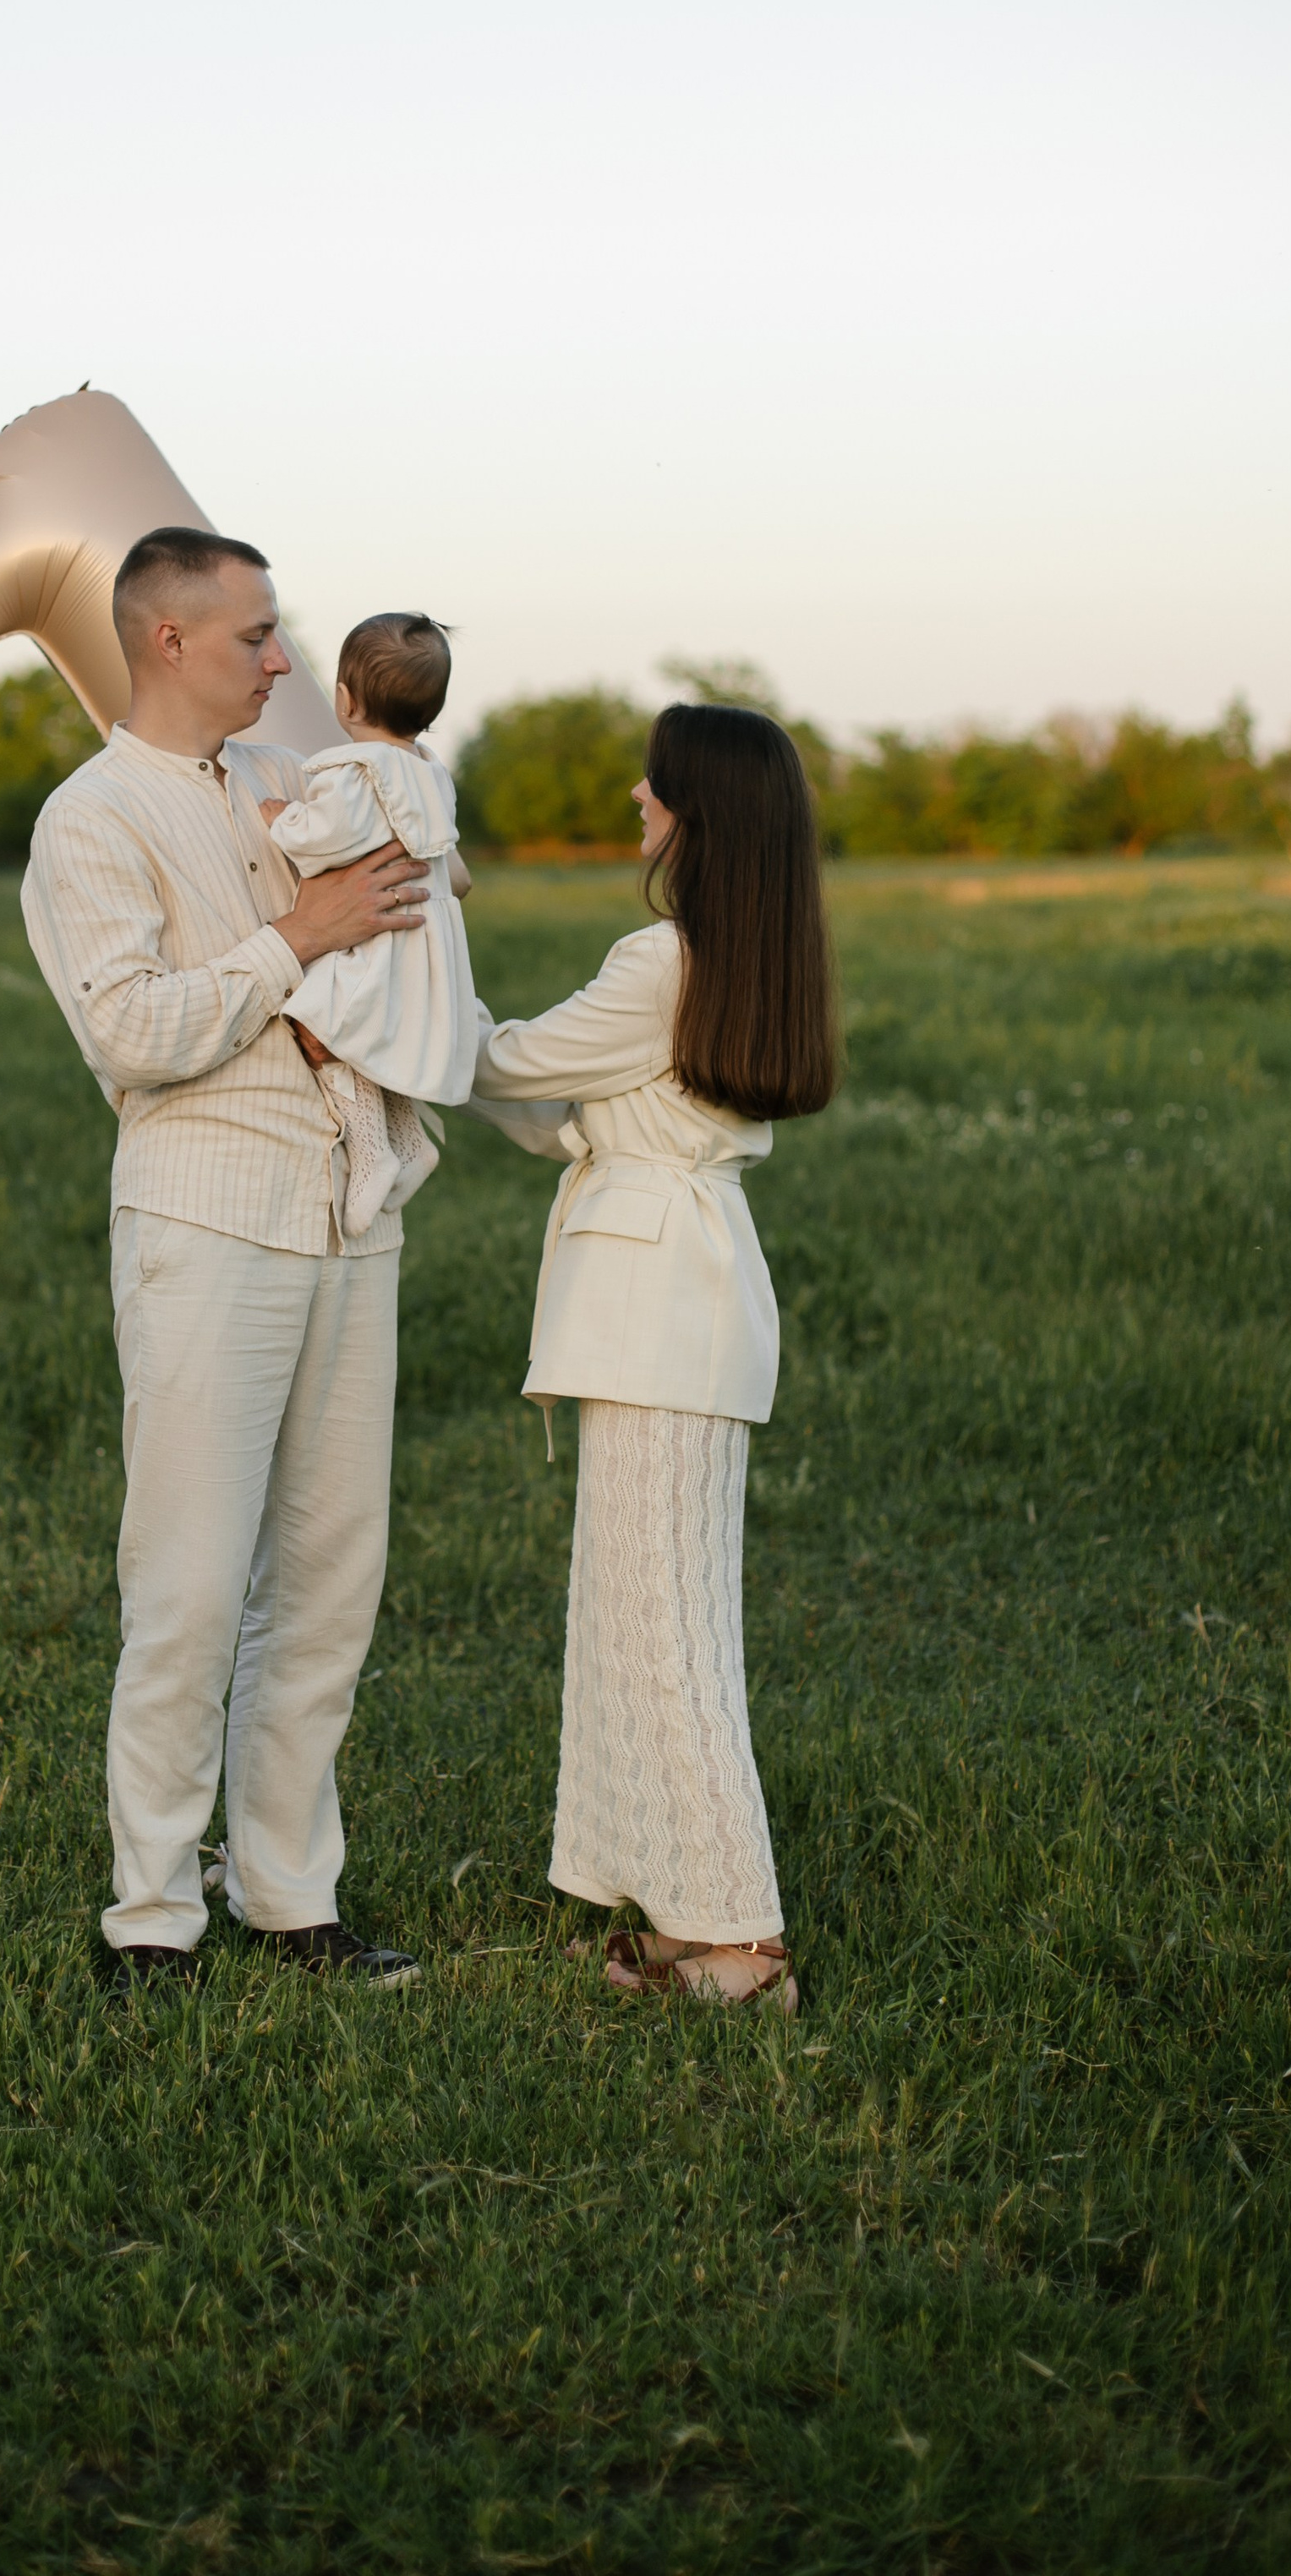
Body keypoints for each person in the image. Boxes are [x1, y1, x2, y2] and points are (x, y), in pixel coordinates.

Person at [21, 524, 430, 1993]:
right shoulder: (90, 818)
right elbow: (133, 1030)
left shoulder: (289, 777)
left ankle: (290, 1898)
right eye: (256, 634)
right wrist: (299, 938)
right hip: (205, 1224)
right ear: (168, 640)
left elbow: (395, 934)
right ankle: (151, 1922)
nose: (281, 657)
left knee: (329, 1580)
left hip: (349, 1210)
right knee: (189, 1589)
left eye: (277, 630)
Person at [467, 702, 839, 2005]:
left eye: (656, 780)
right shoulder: (747, 958)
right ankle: (688, 1918)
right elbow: (576, 1112)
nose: (638, 794)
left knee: (666, 1631)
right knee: (652, 1615)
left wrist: (406, 969)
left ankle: (741, 1944)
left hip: (654, 1315)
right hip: (696, 1297)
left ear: (700, 812)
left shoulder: (657, 963)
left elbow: (504, 1063)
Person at [260, 611, 481, 1235]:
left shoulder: (358, 771)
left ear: (344, 699)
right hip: (420, 935)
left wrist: (283, 819)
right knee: (386, 1034)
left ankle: (372, 1149)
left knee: (325, 1020)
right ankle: (409, 1142)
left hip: (377, 932)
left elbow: (326, 839)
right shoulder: (430, 771)